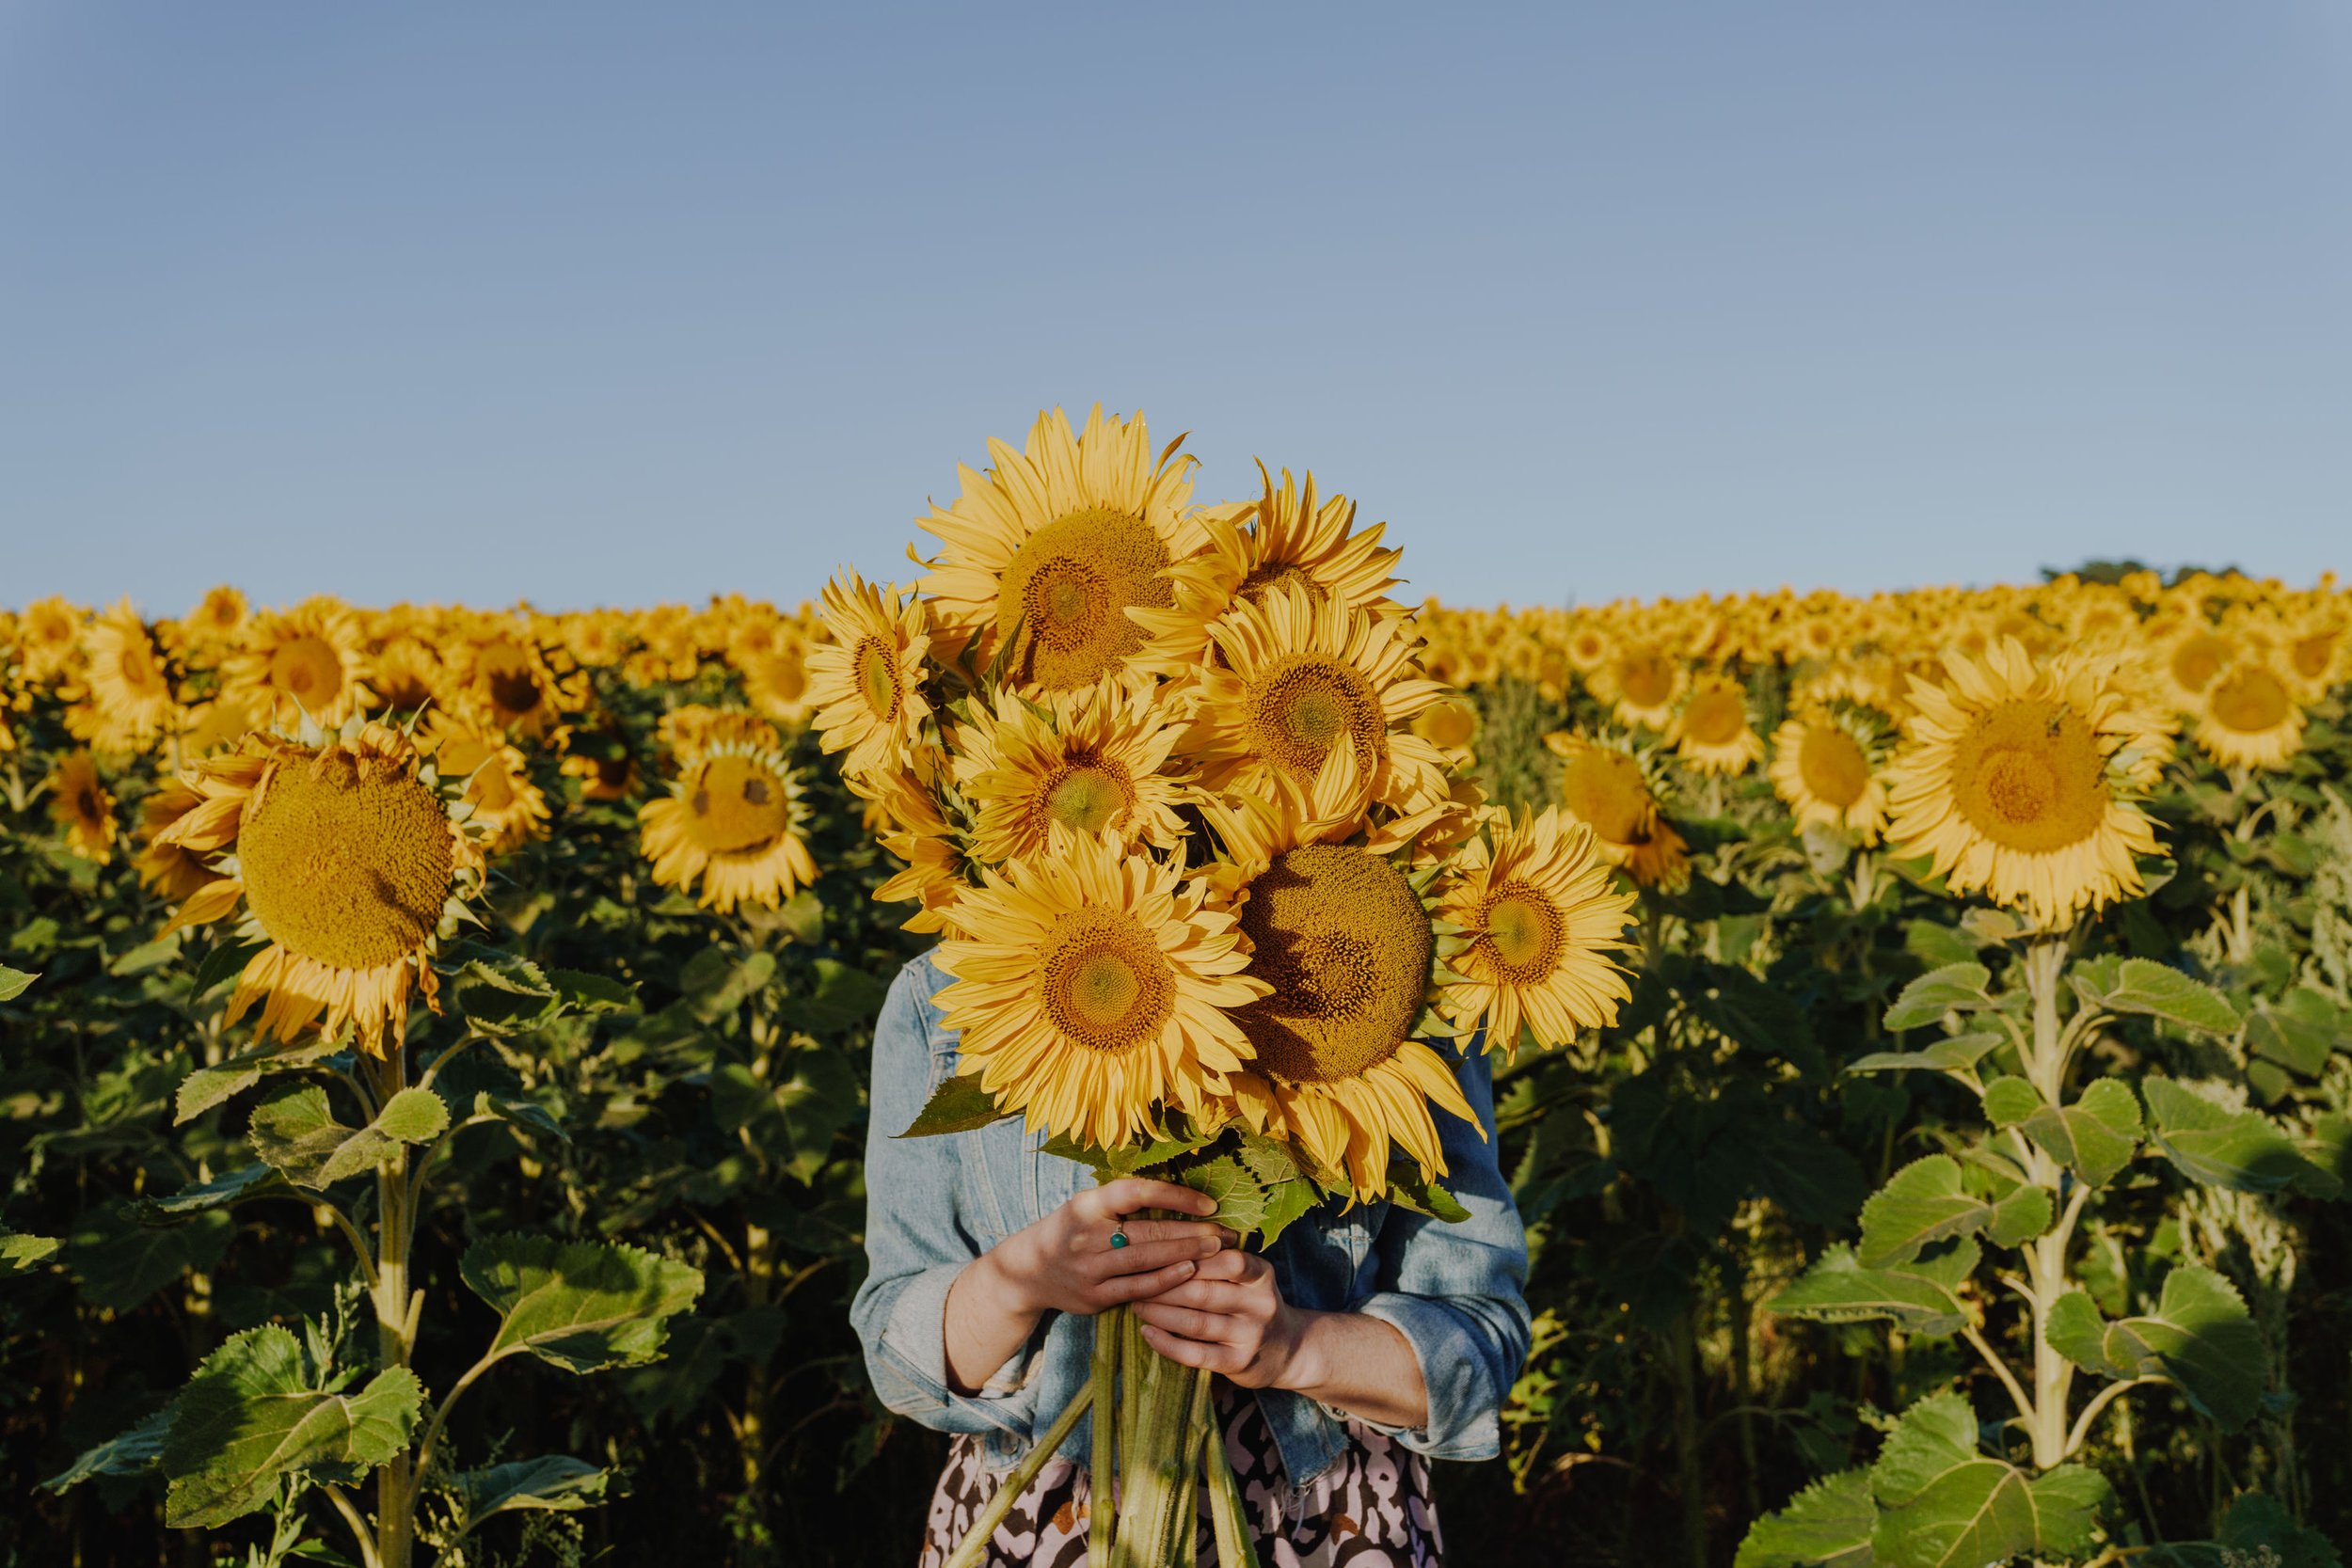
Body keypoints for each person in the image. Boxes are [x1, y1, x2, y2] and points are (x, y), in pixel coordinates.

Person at [850, 951, 1532, 1567]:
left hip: (1318, 1525)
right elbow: (896, 1359)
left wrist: (1296, 1346)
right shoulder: (944, 991)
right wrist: (1021, 1280)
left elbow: (1481, 1337)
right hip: (1043, 1522)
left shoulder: (1390, 976)